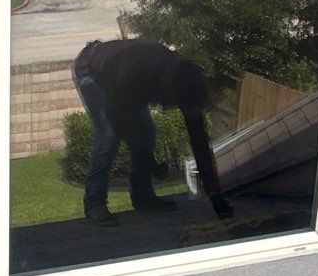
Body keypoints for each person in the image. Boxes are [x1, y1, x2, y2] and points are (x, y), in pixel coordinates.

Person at [72, 38, 233, 227]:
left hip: (123, 77)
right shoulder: (137, 72)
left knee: (147, 132)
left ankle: (143, 197)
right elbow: (120, 122)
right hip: (92, 70)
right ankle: (94, 203)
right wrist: (153, 165)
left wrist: (216, 197)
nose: (173, 107)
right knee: (109, 135)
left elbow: (200, 142)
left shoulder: (188, 83)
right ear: (166, 91)